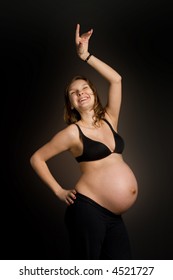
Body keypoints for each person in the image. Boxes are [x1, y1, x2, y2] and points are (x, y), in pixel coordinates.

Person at [30, 23, 138, 260]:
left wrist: (85, 56)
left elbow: (117, 80)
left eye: (85, 87)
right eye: (74, 92)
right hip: (88, 211)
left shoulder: (110, 119)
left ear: (93, 93)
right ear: (71, 103)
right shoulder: (72, 133)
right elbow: (36, 158)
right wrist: (59, 191)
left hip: (114, 217)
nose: (81, 93)